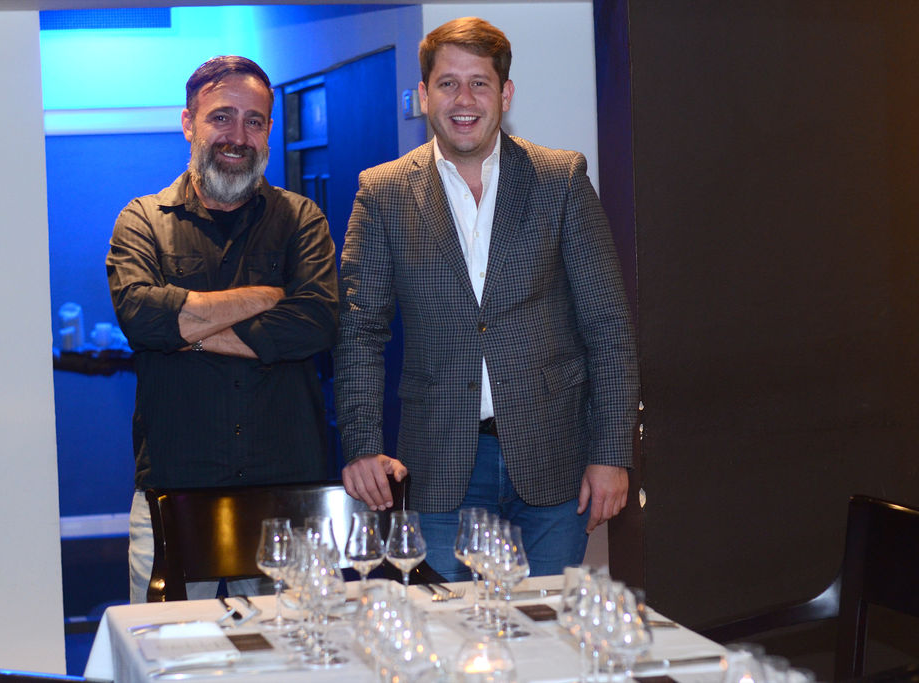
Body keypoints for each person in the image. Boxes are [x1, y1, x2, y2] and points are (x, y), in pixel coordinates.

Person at [334, 18, 639, 580]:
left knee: (544, 626)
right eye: (448, 83)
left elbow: (608, 326)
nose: (464, 100)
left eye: (479, 83)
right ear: (424, 94)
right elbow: (359, 331)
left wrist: (611, 453)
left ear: (506, 93)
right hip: (438, 466)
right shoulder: (382, 192)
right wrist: (361, 445)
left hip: (555, 462)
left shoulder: (561, 179)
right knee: (445, 630)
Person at [107, 56, 339, 602]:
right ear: (189, 123)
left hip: (289, 498)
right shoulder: (142, 221)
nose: (238, 135)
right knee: (167, 647)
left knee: (299, 646)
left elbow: (315, 322)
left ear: (269, 130)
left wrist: (187, 331)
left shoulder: (302, 219)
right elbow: (141, 316)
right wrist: (268, 297)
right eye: (221, 117)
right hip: (175, 493)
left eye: (254, 121)